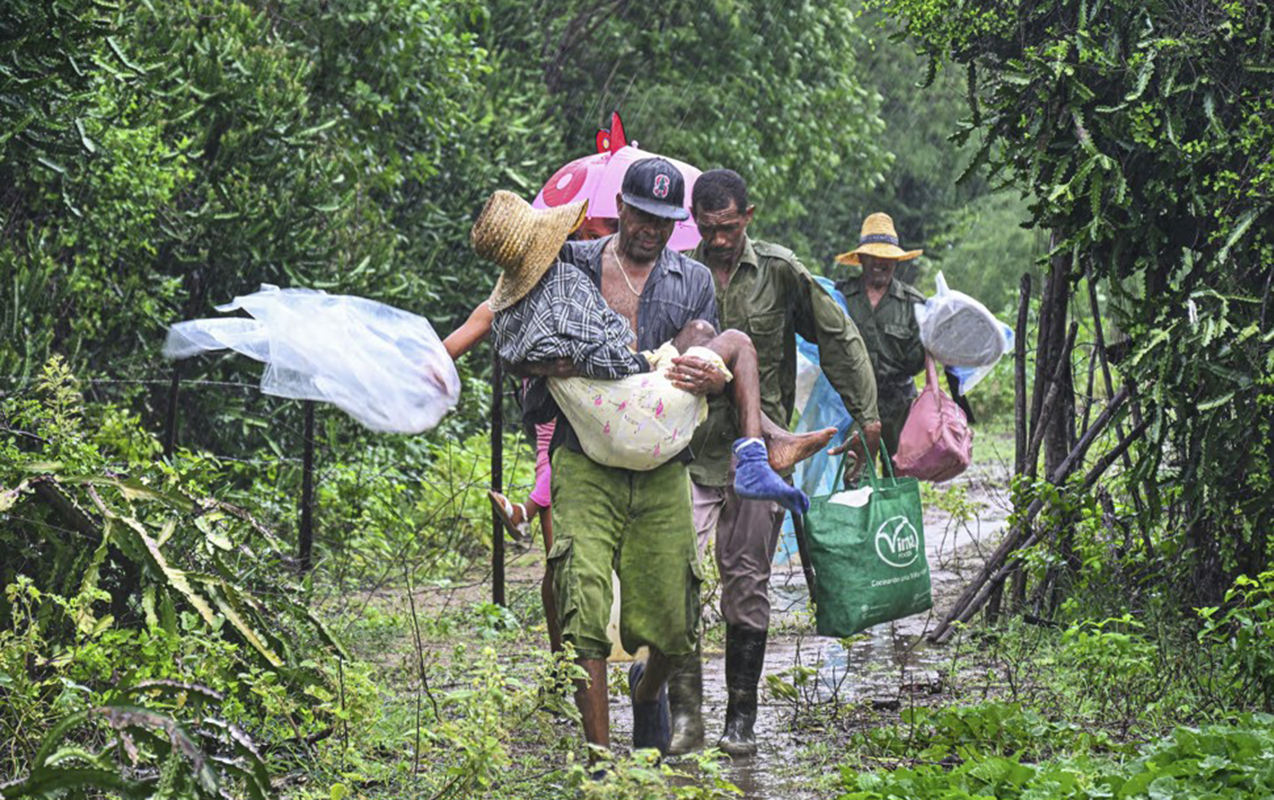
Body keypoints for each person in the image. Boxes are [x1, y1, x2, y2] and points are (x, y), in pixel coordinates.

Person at [672, 169, 883, 757]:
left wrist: (867, 418)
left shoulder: (781, 272)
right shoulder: (677, 274)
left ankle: (741, 716)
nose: (718, 240)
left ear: (749, 216)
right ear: (695, 223)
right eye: (707, 229)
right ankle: (685, 716)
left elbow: (837, 338)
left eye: (729, 227)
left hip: (760, 458)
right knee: (675, 580)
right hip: (686, 452)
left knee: (747, 584)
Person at [444, 217, 618, 654]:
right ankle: (565, 664)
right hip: (559, 423)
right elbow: (453, 346)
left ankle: (572, 660)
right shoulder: (520, 298)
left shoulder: (584, 281)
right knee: (560, 556)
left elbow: (451, 347)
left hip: (603, 421)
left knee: (574, 555)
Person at [832, 212, 927, 464]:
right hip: (852, 406)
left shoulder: (912, 303)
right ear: (862, 258)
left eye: (887, 257)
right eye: (874, 256)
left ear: (895, 261)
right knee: (853, 473)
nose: (880, 262)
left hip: (898, 406)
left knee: (899, 473)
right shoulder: (840, 297)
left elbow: (919, 362)